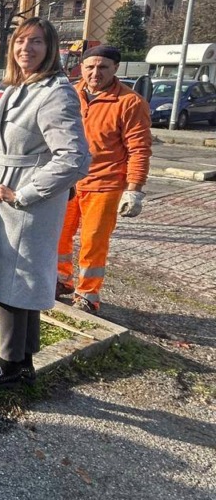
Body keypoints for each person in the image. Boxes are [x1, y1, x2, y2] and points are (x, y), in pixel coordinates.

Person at [0, 19, 90, 390]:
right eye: (20, 41)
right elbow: (6, 153)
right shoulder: (21, 87)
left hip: (25, 203)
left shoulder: (55, 92)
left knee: (12, 283)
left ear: (50, 47)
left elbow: (74, 158)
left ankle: (9, 367)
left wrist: (23, 194)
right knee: (17, 282)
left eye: (35, 42)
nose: (26, 48)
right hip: (6, 195)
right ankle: (22, 361)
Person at [56, 44, 152, 314]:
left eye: (103, 67)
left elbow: (139, 148)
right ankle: (61, 280)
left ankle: (87, 293)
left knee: (93, 241)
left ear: (115, 69)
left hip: (105, 184)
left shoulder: (129, 103)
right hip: (68, 181)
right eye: (90, 67)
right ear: (81, 68)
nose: (95, 72)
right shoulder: (71, 95)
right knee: (58, 235)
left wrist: (134, 189)